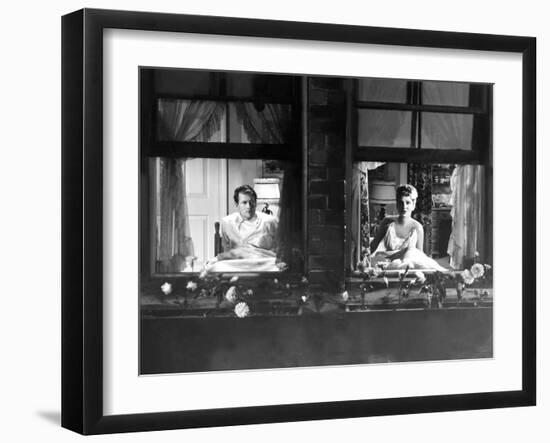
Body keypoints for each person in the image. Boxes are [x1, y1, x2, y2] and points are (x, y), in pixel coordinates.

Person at [369, 184, 447, 271]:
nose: (404, 207)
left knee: (412, 253)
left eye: (408, 203)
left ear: (413, 205)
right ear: (397, 204)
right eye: (400, 202)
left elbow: (419, 255)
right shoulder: (387, 222)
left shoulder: (417, 227)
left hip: (408, 266)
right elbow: (373, 246)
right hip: (387, 262)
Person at [216, 184, 278, 261]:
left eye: (251, 202)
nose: (249, 206)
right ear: (237, 204)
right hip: (237, 264)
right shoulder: (227, 222)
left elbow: (279, 247)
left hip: (263, 262)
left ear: (255, 203)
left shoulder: (270, 221)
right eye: (244, 202)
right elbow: (226, 249)